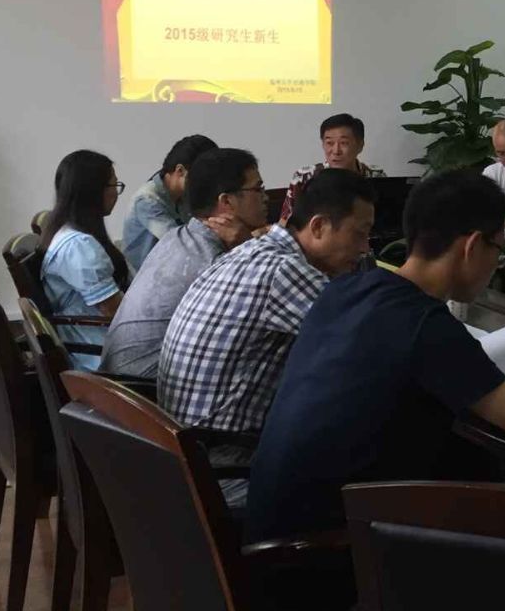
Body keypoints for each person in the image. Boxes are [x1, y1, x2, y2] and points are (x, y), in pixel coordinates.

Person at [246, 171, 505, 542]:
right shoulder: (425, 326)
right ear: (471, 246)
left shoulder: (347, 289)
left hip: (270, 529)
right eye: (498, 249)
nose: (496, 263)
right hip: (323, 550)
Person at [159, 169, 375, 500]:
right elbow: (369, 347)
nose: (364, 248)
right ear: (318, 226)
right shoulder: (285, 270)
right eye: (360, 234)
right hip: (225, 468)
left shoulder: (253, 252)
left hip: (186, 453)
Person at [100, 148, 265, 379]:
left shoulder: (178, 236)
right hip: (140, 387)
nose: (265, 197)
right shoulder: (213, 262)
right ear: (226, 201)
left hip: (114, 379)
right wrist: (249, 245)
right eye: (258, 189)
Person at [40, 150, 131, 370]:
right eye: (114, 185)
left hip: (93, 341)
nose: (116, 193)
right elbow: (115, 311)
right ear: (93, 192)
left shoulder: (66, 231)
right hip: (97, 354)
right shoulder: (78, 246)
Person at [120, 135, 217, 271]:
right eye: (202, 177)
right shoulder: (147, 200)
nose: (205, 184)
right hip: (144, 277)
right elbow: (181, 243)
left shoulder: (184, 194)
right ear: (180, 171)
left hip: (174, 269)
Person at [279, 112, 388, 224]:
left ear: (360, 146)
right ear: (323, 144)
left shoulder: (375, 175)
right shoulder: (304, 177)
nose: (336, 151)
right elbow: (285, 223)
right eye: (329, 143)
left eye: (344, 143)